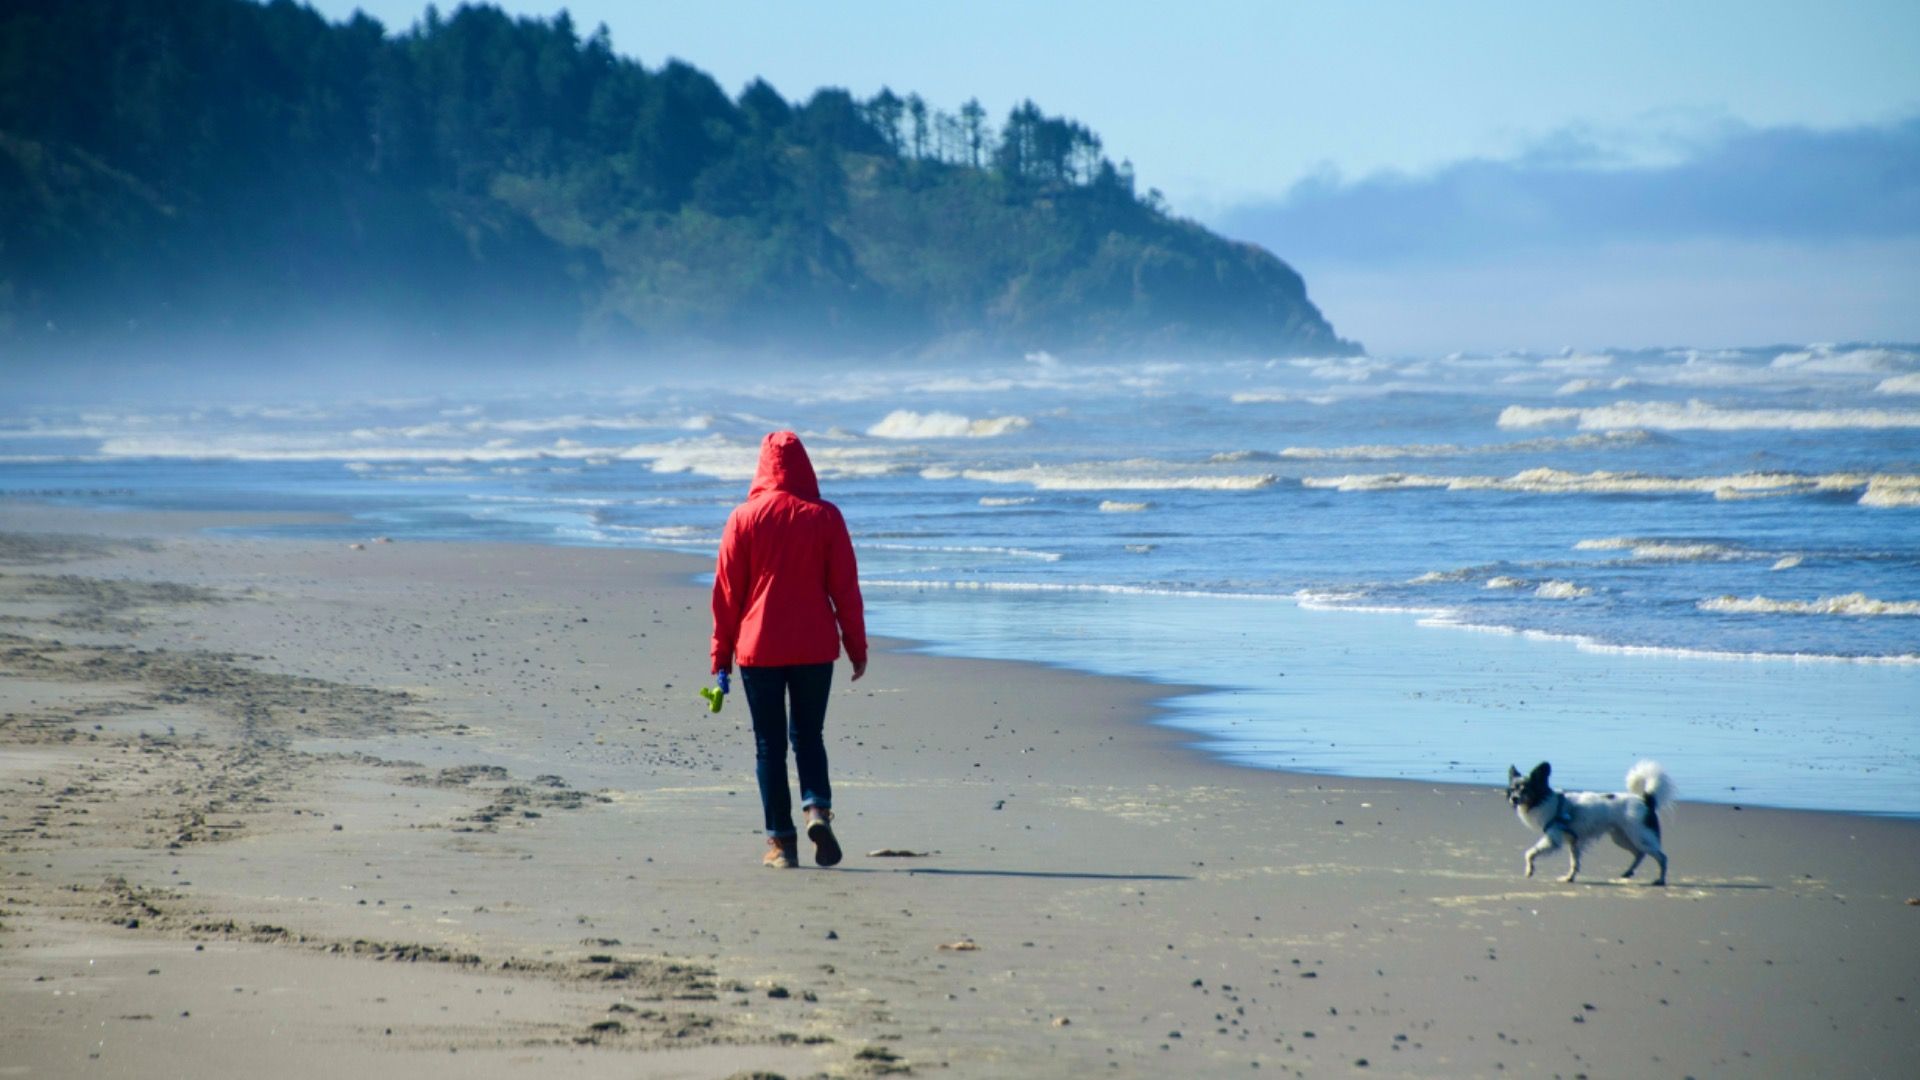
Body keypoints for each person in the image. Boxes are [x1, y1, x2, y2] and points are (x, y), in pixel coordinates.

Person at [710, 431, 867, 869]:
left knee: (769, 745)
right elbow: (845, 590)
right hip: (815, 645)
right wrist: (857, 646)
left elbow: (726, 595)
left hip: (759, 648)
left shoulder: (743, 518)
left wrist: (720, 657)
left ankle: (782, 844)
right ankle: (816, 809)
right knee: (809, 736)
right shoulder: (826, 517)